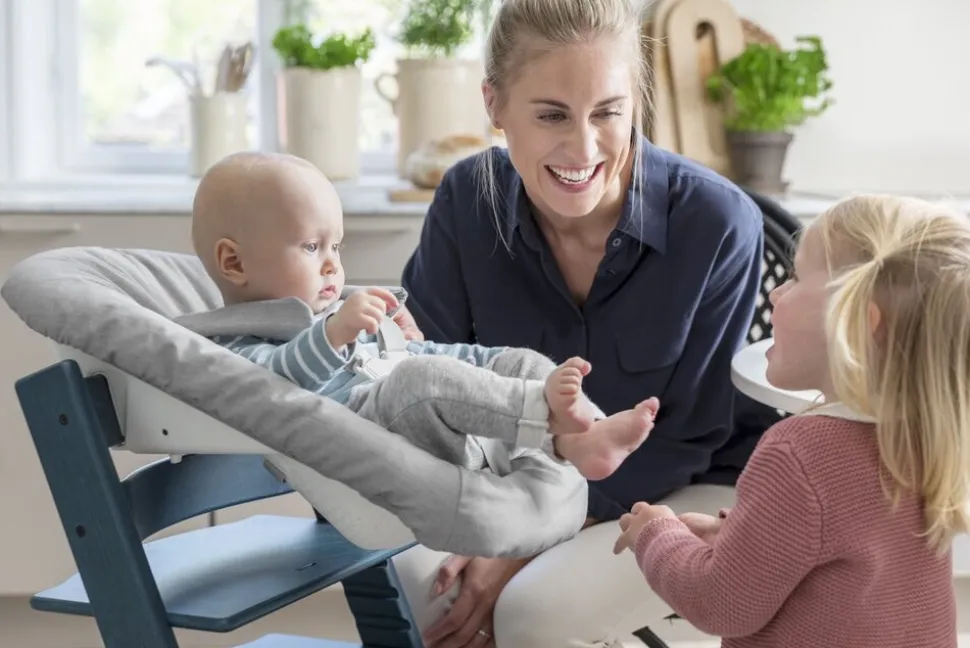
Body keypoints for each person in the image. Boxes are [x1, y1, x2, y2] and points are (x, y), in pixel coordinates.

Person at [393, 0, 768, 645]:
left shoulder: (718, 223)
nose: (584, 147)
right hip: (514, 483)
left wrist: (518, 546)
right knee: (419, 590)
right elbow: (432, 389)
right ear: (495, 106)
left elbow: (689, 437)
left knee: (534, 614)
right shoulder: (463, 202)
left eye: (607, 112)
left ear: (635, 105)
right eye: (551, 115)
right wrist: (500, 520)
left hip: (684, 489)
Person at [181, 150, 659, 558]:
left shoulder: (339, 313)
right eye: (311, 247)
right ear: (234, 262)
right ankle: (551, 424)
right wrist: (333, 335)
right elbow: (272, 387)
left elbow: (426, 353)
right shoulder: (235, 343)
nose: (333, 265)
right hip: (370, 426)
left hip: (436, 414)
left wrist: (481, 362)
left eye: (336, 247)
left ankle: (582, 436)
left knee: (521, 362)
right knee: (420, 380)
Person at [614, 194, 966, 648]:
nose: (776, 292)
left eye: (797, 278)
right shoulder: (928, 433)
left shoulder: (800, 451)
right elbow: (847, 548)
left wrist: (654, 534)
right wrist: (739, 535)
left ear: (857, 321)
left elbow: (720, 604)